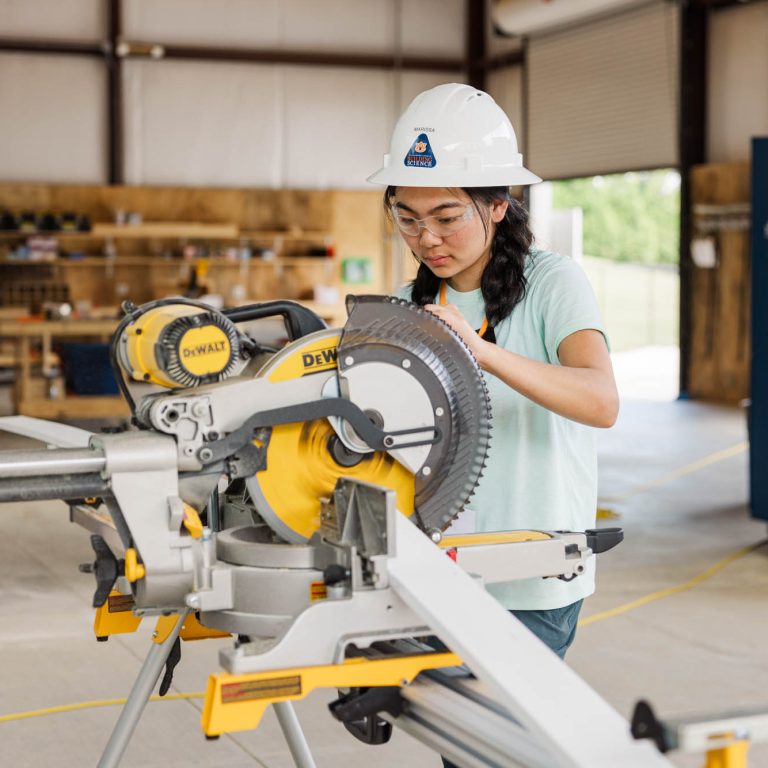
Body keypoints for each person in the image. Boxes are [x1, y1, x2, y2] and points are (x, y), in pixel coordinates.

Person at [367, 83, 619, 663]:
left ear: (498, 206)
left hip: (533, 574)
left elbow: (601, 401)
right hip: (442, 568)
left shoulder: (552, 284)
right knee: (462, 746)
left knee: (498, 748)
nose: (426, 238)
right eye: (406, 218)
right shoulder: (408, 302)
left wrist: (482, 353)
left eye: (446, 217)